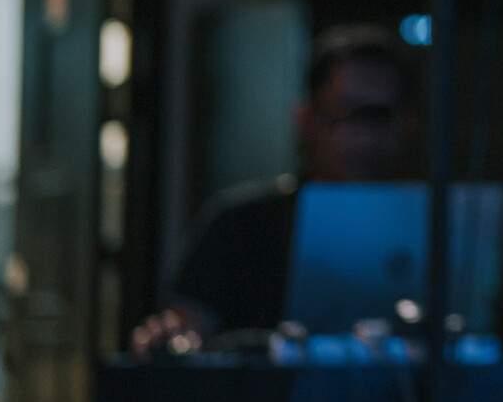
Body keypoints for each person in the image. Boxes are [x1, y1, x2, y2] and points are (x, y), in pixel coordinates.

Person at [130, 25, 420, 354]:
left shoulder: (432, 229)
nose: (363, 137)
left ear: (407, 124)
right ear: (307, 120)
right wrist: (174, 334)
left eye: (379, 117)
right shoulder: (239, 224)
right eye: (347, 114)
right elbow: (190, 322)